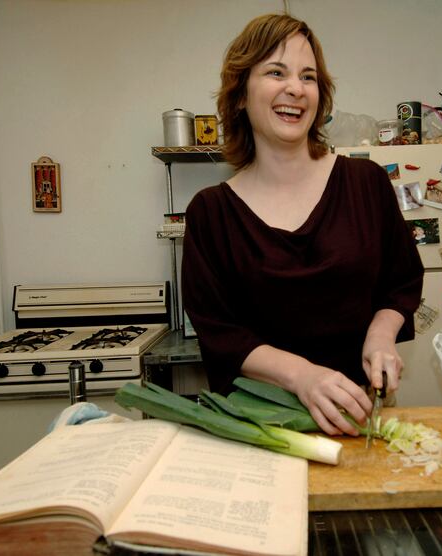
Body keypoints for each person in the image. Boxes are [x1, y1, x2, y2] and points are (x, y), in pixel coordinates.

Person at [181, 13, 423, 437]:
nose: (295, 88)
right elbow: (220, 334)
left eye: (308, 77)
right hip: (258, 425)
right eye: (276, 72)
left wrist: (382, 336)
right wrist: (303, 376)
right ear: (240, 95)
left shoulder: (366, 184)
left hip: (357, 413)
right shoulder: (211, 213)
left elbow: (400, 283)